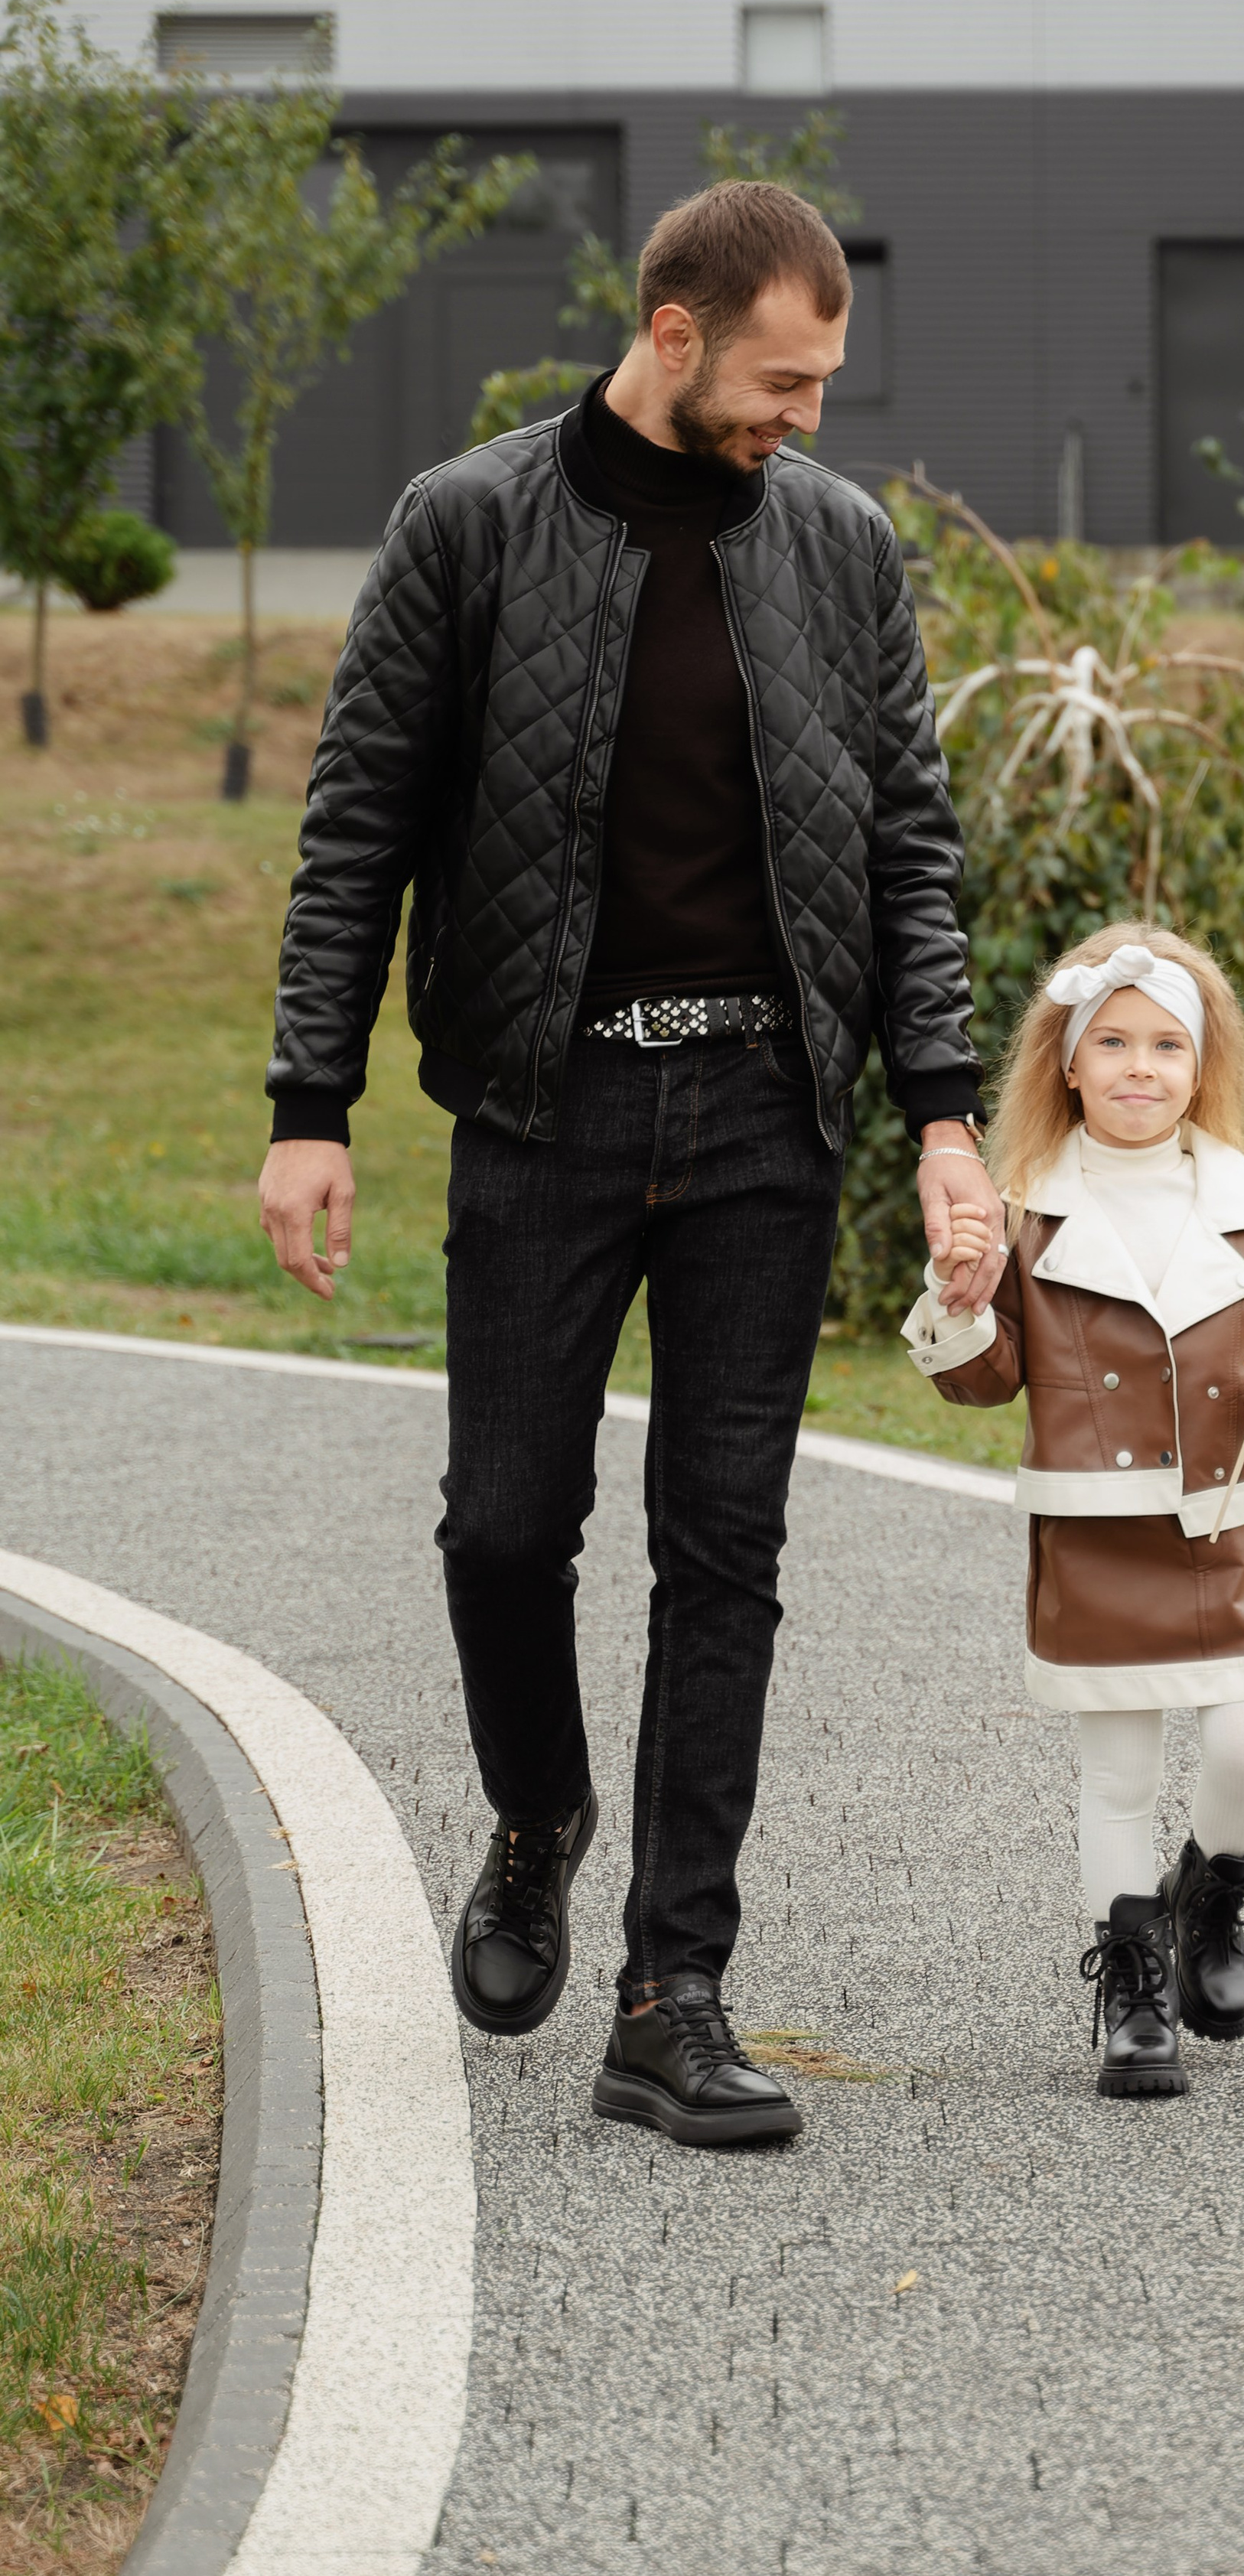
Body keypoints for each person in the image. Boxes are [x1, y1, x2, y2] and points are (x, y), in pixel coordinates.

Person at [256, 177, 1004, 2149]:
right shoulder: (469, 524)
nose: (809, 416)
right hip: (542, 1107)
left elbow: (908, 848)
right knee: (505, 1524)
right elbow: (358, 830)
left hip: (764, 1111)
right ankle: (537, 1814)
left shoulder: (840, 552)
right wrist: (306, 1108)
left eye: (827, 380)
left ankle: (677, 1994)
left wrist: (943, 1116)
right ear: (671, 336)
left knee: (722, 1556)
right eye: (783, 378)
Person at [900, 927, 1244, 2099]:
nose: (1140, 1067)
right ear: (1069, 1061)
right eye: (1113, 1042)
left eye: (1165, 1045)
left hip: (1226, 1517)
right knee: (1119, 1771)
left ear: (1202, 1068)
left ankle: (1212, 1894)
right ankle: (1134, 1984)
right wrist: (959, 1298)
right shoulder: (1022, 1213)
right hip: (1096, 1523)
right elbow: (986, 1378)